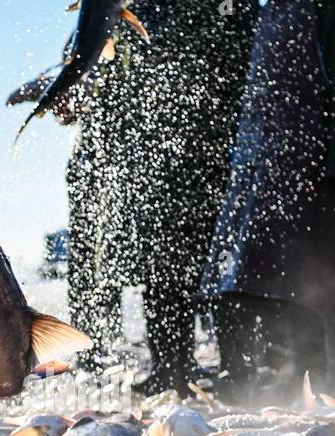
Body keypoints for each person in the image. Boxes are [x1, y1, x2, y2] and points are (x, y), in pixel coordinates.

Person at [204, 0, 335, 396]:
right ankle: (257, 385)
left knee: (317, 287)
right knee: (251, 281)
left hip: (322, 167)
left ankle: (325, 389)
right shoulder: (271, 9)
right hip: (265, 164)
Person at [53, 0, 260, 396]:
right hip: (149, 157)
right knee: (160, 263)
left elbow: (234, 53)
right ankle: (172, 367)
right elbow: (86, 69)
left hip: (212, 147)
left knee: (217, 261)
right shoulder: (124, 11)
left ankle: (237, 369)